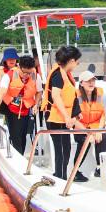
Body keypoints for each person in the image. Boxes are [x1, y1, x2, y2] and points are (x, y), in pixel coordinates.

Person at [41, 45, 83, 180]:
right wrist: (66, 117)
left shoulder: (65, 73)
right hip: (56, 119)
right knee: (61, 151)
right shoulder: (58, 74)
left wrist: (75, 113)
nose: (78, 63)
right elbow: (56, 96)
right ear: (71, 61)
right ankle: (60, 178)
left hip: (62, 118)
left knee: (66, 149)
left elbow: (70, 96)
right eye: (77, 61)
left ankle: (61, 176)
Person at [0, 54, 38, 155]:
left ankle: (21, 155)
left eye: (29, 73)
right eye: (24, 72)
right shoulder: (8, 75)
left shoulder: (34, 75)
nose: (26, 75)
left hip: (25, 108)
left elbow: (39, 91)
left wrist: (36, 104)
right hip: (11, 106)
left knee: (23, 137)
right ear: (19, 67)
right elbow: (1, 93)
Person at [71, 68, 106, 181]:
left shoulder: (101, 95)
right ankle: (76, 171)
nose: (91, 83)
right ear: (81, 83)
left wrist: (99, 131)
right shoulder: (76, 96)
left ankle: (99, 168)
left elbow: (103, 115)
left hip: (95, 125)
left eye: (93, 80)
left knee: (103, 138)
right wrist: (88, 132)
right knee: (84, 141)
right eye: (88, 81)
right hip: (81, 126)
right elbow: (74, 119)